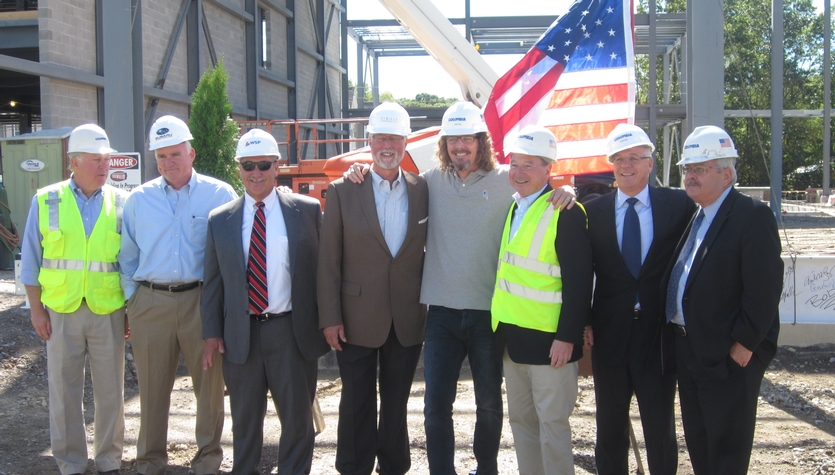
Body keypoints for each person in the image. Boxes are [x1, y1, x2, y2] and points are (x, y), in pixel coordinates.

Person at [343, 102, 575, 475]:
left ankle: (486, 469)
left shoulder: (506, 182)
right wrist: (358, 169)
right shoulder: (429, 182)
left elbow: (538, 190)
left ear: (481, 142)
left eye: (467, 139)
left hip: (489, 314)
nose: (460, 147)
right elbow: (386, 176)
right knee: (435, 406)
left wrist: (566, 190)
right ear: (445, 144)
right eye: (453, 140)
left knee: (488, 403)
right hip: (442, 315)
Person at [201, 129, 329, 475]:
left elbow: (323, 272)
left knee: (297, 420)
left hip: (291, 330)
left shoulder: (306, 210)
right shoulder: (221, 220)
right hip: (240, 335)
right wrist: (212, 332)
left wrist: (329, 321)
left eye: (263, 165)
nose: (255, 172)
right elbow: (213, 283)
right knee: (244, 422)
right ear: (239, 169)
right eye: (247, 165)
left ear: (276, 167)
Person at [119, 115, 237, 475]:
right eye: (161, 156)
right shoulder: (139, 200)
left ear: (192, 153)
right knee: (152, 387)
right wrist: (133, 300)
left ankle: (207, 458)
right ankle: (151, 459)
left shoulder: (219, 195)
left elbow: (233, 255)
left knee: (209, 386)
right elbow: (127, 256)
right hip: (150, 302)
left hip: (201, 302)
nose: (168, 162)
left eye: (175, 154)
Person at [662, 125, 783, 475]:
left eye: (700, 168)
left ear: (726, 174)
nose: (690, 176)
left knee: (727, 449)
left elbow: (765, 287)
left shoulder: (751, 216)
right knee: (700, 444)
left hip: (729, 357)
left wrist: (745, 344)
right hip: (692, 351)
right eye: (687, 169)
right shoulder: (698, 215)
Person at [318, 102, 429, 475]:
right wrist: (330, 317)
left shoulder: (422, 190)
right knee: (356, 400)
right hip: (355, 317)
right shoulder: (343, 190)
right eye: (381, 137)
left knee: (397, 401)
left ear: (405, 142)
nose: (388, 145)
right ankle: (353, 466)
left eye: (395, 138)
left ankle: (394, 465)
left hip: (406, 316)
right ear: (368, 141)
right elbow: (328, 262)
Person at [583, 124, 695, 475]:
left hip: (657, 337)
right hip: (609, 336)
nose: (626, 165)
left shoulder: (678, 205)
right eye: (619, 159)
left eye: (634, 158)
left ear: (650, 163)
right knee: (610, 429)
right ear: (611, 165)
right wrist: (583, 321)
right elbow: (581, 272)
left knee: (660, 429)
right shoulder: (592, 211)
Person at [20, 124, 128, 475]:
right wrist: (36, 309)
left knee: (111, 391)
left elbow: (128, 263)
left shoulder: (122, 203)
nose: (104, 167)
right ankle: (70, 462)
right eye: (95, 160)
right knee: (63, 391)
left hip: (108, 310)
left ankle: (109, 460)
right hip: (61, 310)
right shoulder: (46, 200)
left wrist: (129, 310)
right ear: (74, 162)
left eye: (106, 160)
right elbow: (32, 260)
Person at [491, 125, 593, 475]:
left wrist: (567, 337)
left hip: (551, 344)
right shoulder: (515, 208)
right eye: (515, 164)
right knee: (522, 423)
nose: (519, 172)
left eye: (529, 164)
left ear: (548, 168)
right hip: (513, 340)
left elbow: (580, 283)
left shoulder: (565, 211)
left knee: (552, 426)